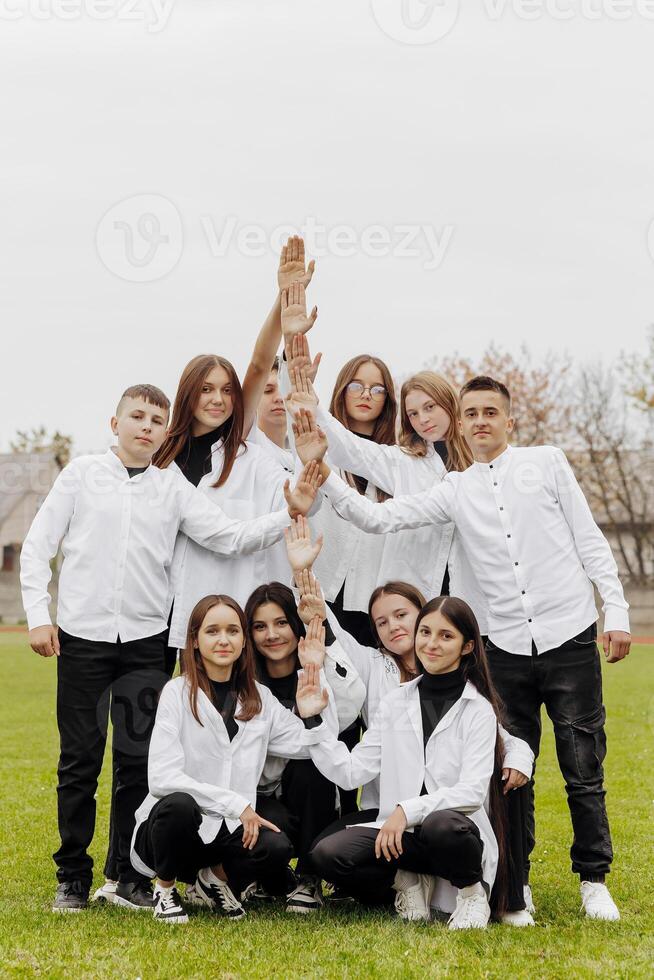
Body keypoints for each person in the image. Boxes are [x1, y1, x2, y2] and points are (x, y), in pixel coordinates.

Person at [293, 374, 631, 921]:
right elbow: (378, 517)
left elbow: (588, 538)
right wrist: (323, 475)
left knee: (583, 764)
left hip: (567, 632)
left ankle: (594, 879)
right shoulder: (455, 488)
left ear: (508, 419)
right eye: (471, 414)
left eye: (489, 412)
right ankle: (515, 887)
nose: (479, 422)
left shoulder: (546, 463)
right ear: (462, 421)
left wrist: (613, 609)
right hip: (503, 647)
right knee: (509, 776)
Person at [19, 384, 321, 913]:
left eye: (156, 420)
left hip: (144, 643)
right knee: (80, 763)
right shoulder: (81, 475)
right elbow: (38, 547)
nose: (146, 426)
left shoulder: (173, 488)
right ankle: (72, 876)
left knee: (137, 765)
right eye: (136, 416)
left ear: (165, 431)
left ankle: (131, 876)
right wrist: (40, 617)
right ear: (115, 424)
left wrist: (286, 514)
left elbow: (227, 536)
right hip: (82, 640)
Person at [287, 520, 534, 925]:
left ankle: (495, 889)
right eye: (382, 622)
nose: (396, 627)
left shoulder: (474, 702)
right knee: (327, 854)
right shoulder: (384, 682)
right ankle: (406, 877)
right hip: (389, 816)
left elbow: (496, 751)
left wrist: (519, 758)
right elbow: (350, 771)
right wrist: (313, 720)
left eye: (403, 615)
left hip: (444, 820)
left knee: (458, 815)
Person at [130, 594, 337, 924]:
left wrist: (312, 714)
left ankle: (214, 879)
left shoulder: (260, 698)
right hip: (172, 833)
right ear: (195, 641)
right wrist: (235, 804)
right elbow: (161, 778)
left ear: (244, 640)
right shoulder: (176, 693)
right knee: (179, 804)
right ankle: (165, 889)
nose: (223, 640)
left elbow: (309, 747)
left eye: (232, 631)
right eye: (212, 631)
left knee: (277, 846)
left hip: (227, 832)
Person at [286, 347, 488, 631]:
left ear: (449, 404)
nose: (423, 419)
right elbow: (350, 448)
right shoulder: (401, 460)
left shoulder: (482, 467)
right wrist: (314, 408)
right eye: (413, 414)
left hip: (471, 602)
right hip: (412, 600)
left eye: (430, 407)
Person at [244, 572, 365, 912]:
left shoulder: (317, 668)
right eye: (259, 626)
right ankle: (274, 876)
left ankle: (310, 878)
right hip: (261, 797)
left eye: (281, 622)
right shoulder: (245, 682)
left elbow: (349, 709)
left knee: (314, 761)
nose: (271, 635)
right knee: (271, 836)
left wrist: (318, 658)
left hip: (315, 798)